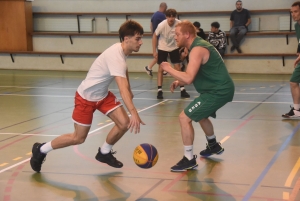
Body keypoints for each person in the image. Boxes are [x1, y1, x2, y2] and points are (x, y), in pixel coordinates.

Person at [30, 20, 145, 173]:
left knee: (124, 123)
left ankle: (104, 152)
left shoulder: (121, 52)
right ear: (126, 39)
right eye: (138, 39)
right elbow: (122, 89)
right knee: (78, 138)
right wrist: (134, 112)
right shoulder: (116, 55)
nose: (141, 42)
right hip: (86, 98)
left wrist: (129, 88)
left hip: (102, 96)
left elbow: (123, 70)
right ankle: (41, 149)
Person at [160, 20, 235, 172]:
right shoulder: (196, 46)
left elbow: (188, 78)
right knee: (200, 115)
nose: (175, 37)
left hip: (218, 91)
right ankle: (213, 145)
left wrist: (168, 68)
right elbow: (194, 74)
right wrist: (177, 80)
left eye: (177, 34)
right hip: (217, 89)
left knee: (184, 117)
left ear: (187, 34)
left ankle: (188, 159)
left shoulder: (197, 49)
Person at [152, 8, 190, 99]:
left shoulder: (179, 24)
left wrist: (186, 47)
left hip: (174, 47)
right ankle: (160, 90)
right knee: (161, 68)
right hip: (163, 47)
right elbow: (154, 36)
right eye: (169, 16)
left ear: (175, 17)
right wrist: (154, 51)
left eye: (173, 16)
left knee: (178, 67)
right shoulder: (162, 25)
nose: (171, 18)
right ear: (166, 17)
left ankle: (182, 89)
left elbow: (185, 35)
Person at [282, 1, 300, 118]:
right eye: (291, 12)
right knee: (293, 82)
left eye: (296, 11)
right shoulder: (297, 26)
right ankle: (297, 110)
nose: (293, 14)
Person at [144, 2, 168, 77]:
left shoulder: (154, 15)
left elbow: (151, 26)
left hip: (156, 37)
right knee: (162, 53)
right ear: (164, 8)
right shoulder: (162, 16)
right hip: (161, 38)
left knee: (162, 53)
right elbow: (166, 25)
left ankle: (153, 68)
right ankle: (150, 67)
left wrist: (153, 35)